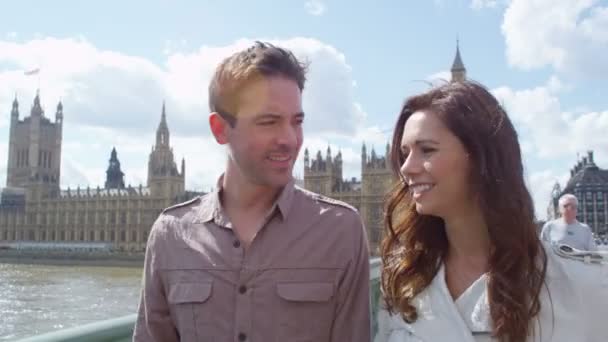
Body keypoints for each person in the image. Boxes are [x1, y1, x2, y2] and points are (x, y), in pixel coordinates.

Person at [133, 41, 371, 342]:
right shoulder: (170, 234)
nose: (289, 139)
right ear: (220, 129)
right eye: (268, 122)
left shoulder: (340, 230)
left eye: (296, 122)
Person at [374, 80, 608, 342]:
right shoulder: (402, 280)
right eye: (404, 154)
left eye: (426, 150)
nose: (406, 168)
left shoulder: (586, 286)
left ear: (481, 156)